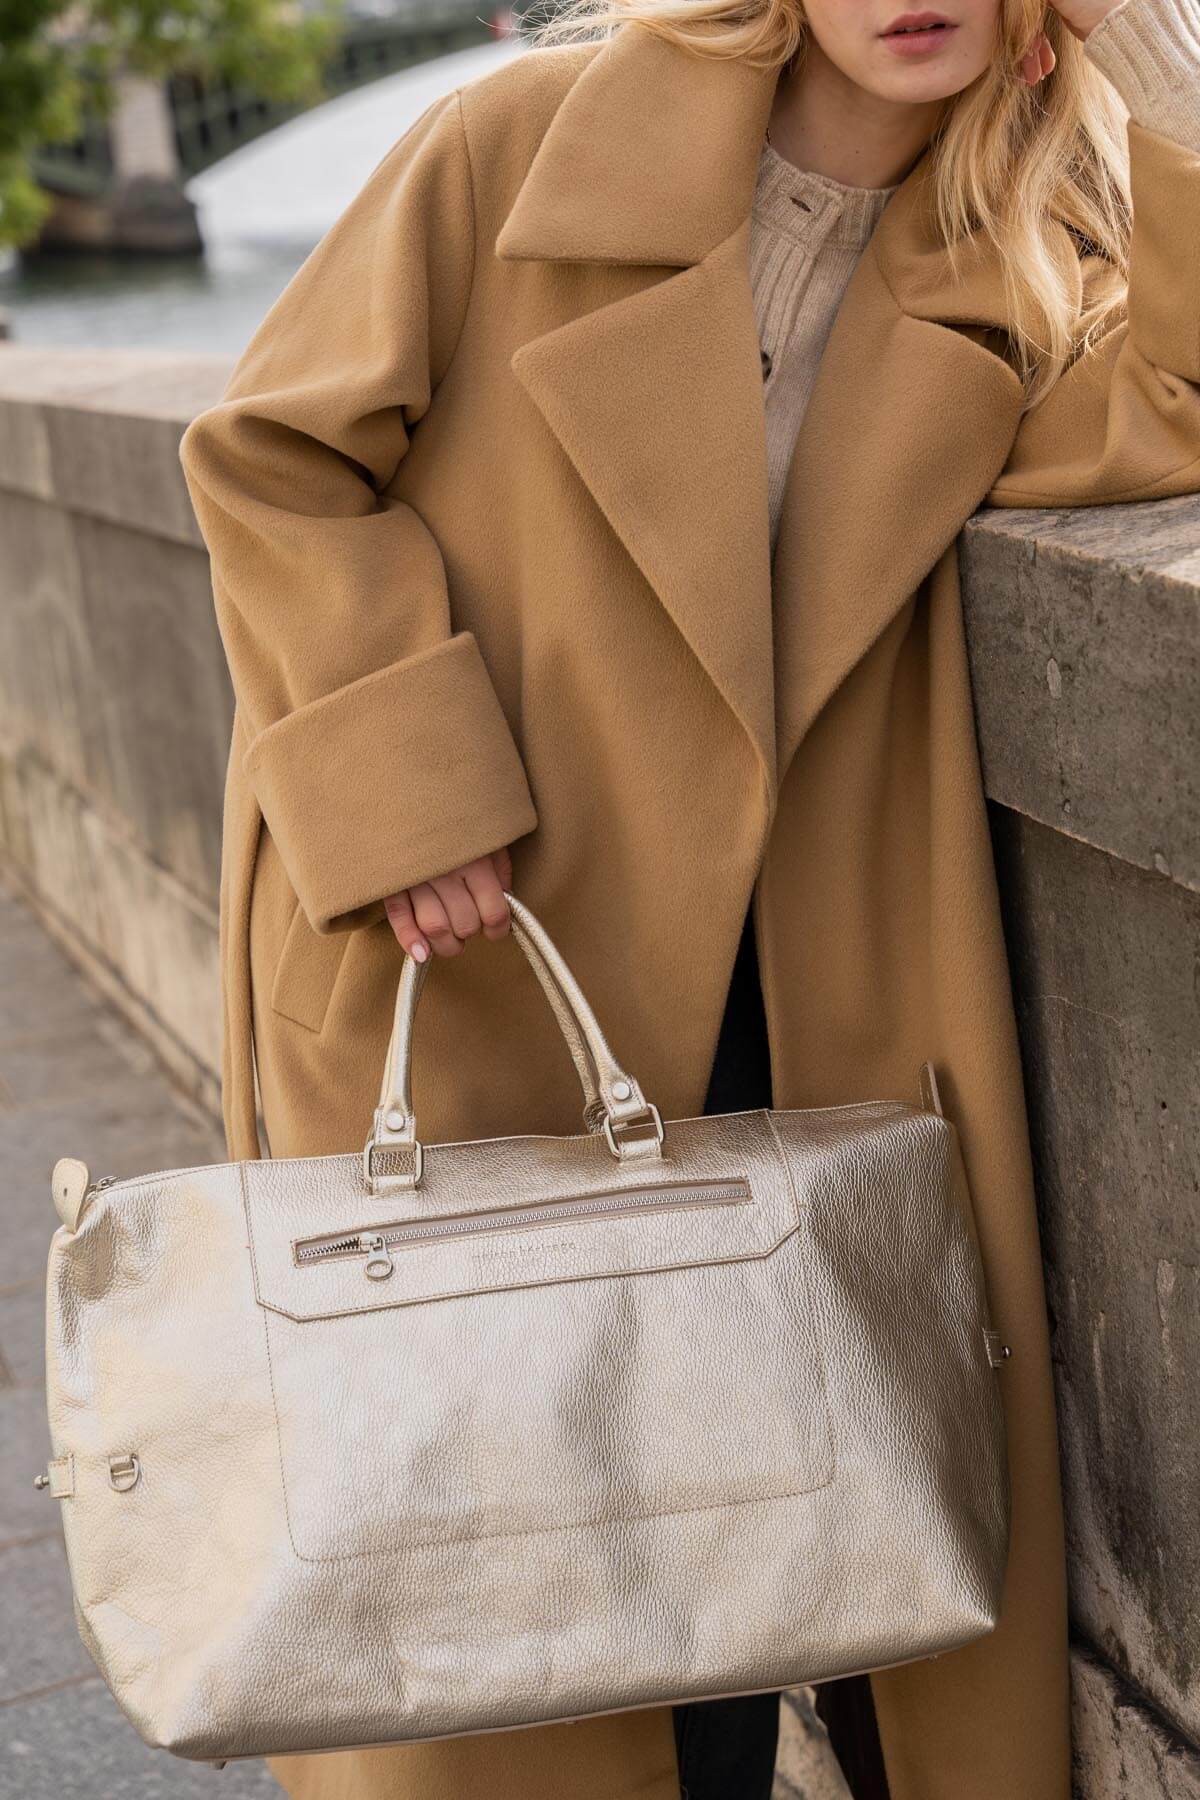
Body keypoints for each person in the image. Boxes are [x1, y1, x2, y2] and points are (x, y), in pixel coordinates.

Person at [177, 0, 1200, 1788]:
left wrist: (1162, 69)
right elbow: (273, 455)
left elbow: (1180, 408)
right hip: (485, 938)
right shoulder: (522, 142)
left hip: (801, 974)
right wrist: (406, 791)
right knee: (539, 1611)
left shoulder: (1027, 258)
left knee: (795, 1552)